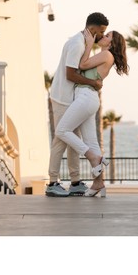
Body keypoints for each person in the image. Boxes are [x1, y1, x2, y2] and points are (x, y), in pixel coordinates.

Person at [55, 28, 129, 197]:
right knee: (92, 142)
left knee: (61, 130)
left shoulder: (106, 55)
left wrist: (88, 44)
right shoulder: (104, 55)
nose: (103, 36)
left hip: (86, 97)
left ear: (111, 43)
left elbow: (82, 65)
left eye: (107, 35)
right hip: (88, 97)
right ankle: (98, 183)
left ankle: (92, 157)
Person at [46, 12, 109, 197]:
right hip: (63, 98)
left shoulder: (82, 43)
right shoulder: (77, 44)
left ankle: (75, 182)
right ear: (92, 29)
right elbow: (70, 74)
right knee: (60, 140)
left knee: (74, 139)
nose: (102, 36)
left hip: (71, 98)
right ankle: (52, 182)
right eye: (101, 32)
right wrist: (94, 84)